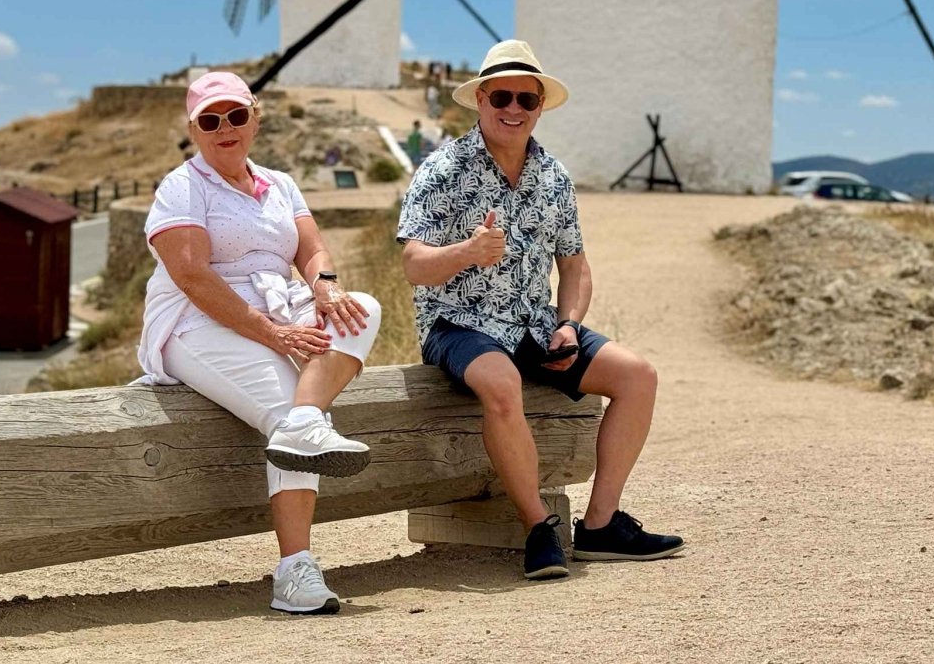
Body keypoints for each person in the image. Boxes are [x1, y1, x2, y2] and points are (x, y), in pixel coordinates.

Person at [397, 39, 683, 582]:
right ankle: (538, 528)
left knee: (638, 376)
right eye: (501, 96)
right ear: (480, 99)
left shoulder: (554, 176)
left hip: (535, 324)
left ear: (540, 107)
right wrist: (467, 253)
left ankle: (599, 527)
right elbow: (413, 264)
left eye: (526, 100)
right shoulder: (443, 169)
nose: (513, 109)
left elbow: (575, 266)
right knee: (501, 383)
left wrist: (570, 325)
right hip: (458, 324)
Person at [137, 71, 382, 615]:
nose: (225, 128)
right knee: (282, 412)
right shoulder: (182, 187)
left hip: (277, 304)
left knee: (362, 309)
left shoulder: (280, 183)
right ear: (195, 130)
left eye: (236, 115)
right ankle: (294, 570)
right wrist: (274, 334)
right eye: (210, 119)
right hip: (196, 321)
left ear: (255, 117)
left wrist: (324, 287)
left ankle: (305, 422)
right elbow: (193, 277)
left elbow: (313, 249)